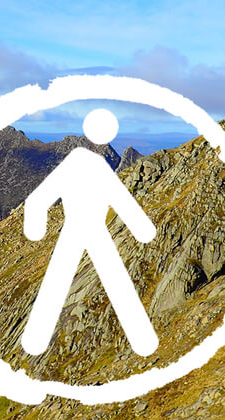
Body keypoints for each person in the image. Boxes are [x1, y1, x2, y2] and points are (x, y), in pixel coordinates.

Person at [22, 108, 158, 357]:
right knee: (117, 281)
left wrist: (36, 230)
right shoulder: (98, 167)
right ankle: (143, 340)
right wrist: (142, 230)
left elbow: (38, 199)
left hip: (74, 229)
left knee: (56, 282)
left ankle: (35, 340)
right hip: (95, 230)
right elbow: (121, 200)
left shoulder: (71, 165)